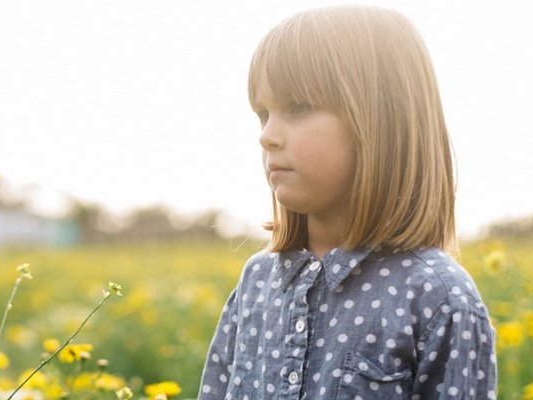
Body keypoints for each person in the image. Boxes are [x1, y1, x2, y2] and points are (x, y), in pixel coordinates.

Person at [199, 5, 497, 399]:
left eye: (299, 107)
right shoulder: (256, 283)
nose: (267, 135)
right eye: (263, 114)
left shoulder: (438, 297)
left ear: (381, 121)